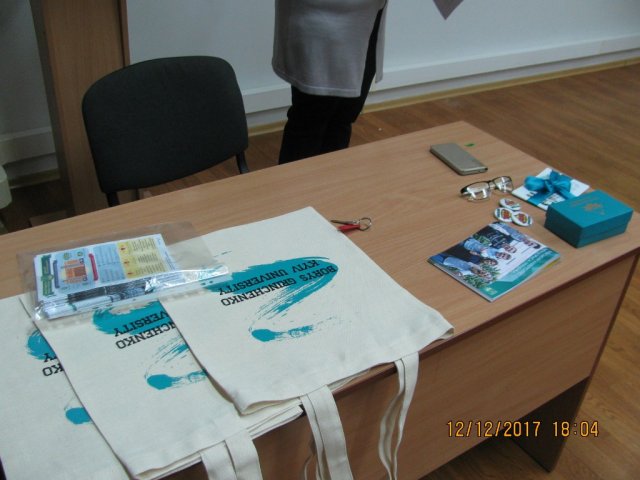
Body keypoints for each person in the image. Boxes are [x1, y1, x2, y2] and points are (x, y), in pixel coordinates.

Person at [272, 0, 388, 164]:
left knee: (344, 117)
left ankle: (331, 177)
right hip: (321, 17)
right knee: (311, 121)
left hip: (369, 15)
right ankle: (295, 180)